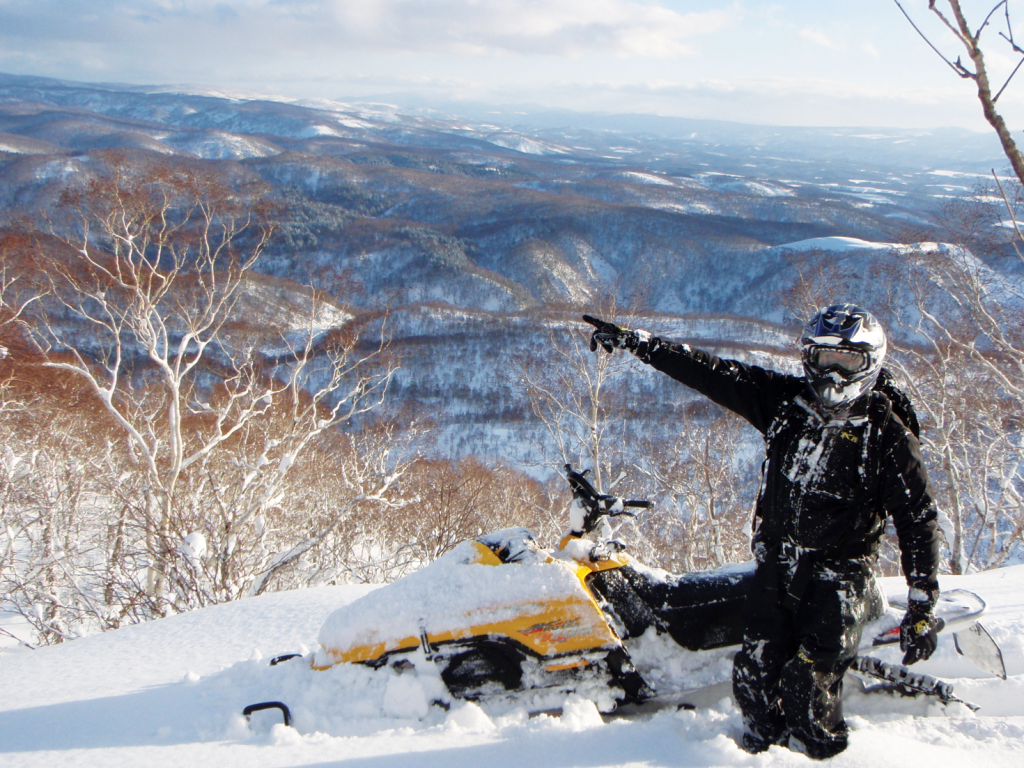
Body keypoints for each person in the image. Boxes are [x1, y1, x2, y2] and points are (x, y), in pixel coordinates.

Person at [584, 305, 941, 759]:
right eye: (822, 358)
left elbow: (918, 521)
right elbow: (715, 373)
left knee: (806, 687)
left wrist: (923, 605)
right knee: (753, 677)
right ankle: (760, 754)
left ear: (870, 361)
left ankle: (823, 755)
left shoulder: (885, 435)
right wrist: (641, 343)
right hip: (778, 566)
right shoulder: (787, 405)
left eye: (846, 361)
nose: (832, 373)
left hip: (839, 577)